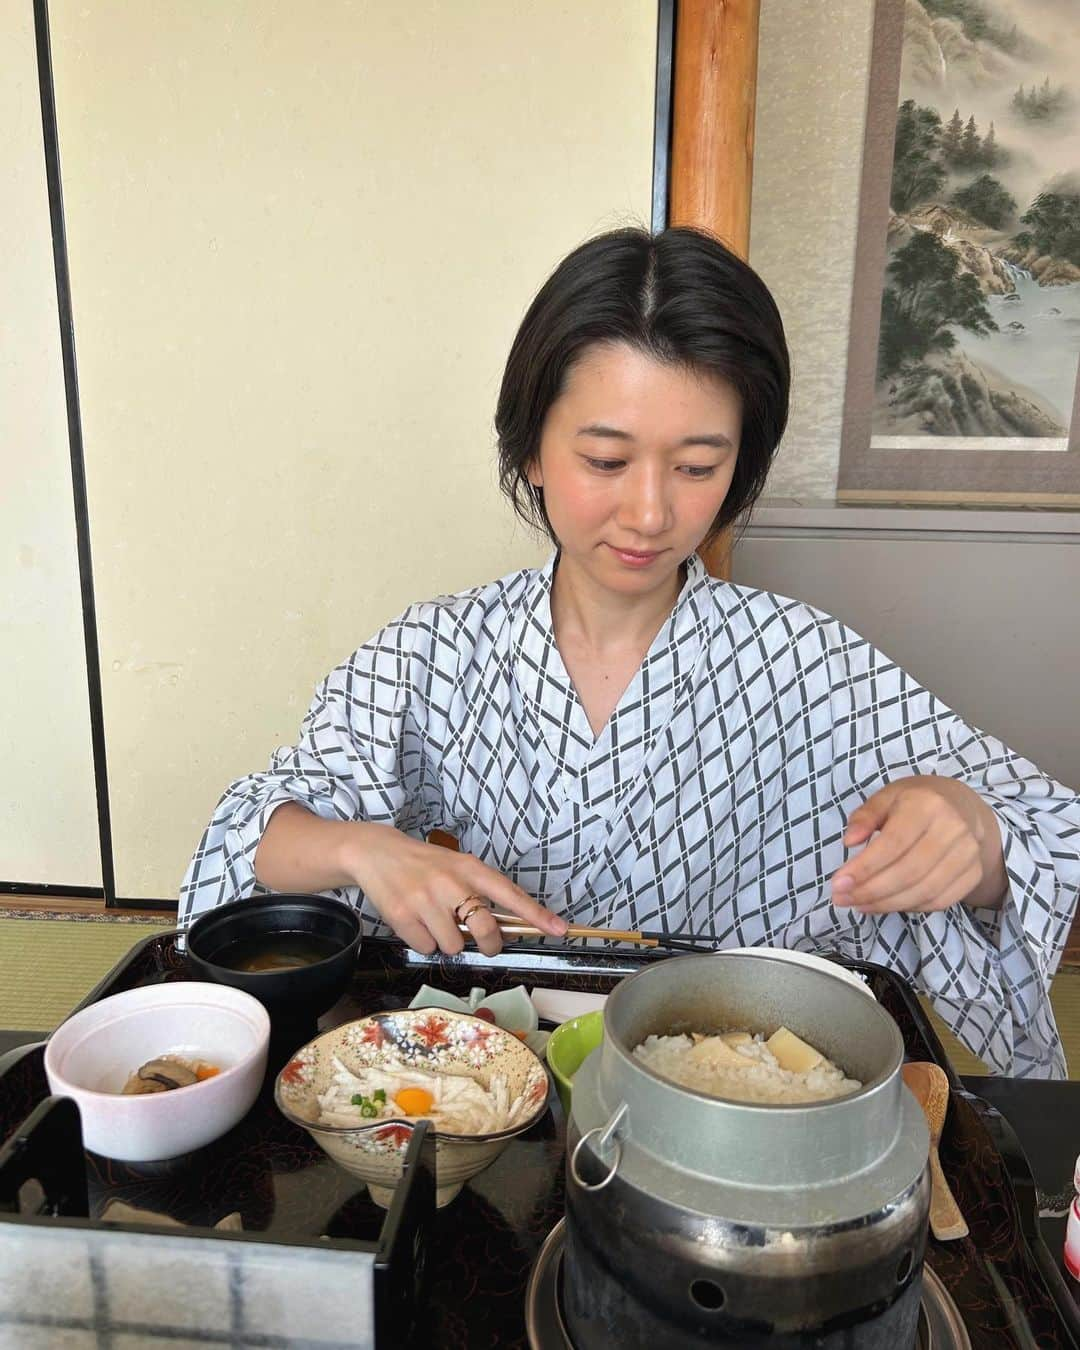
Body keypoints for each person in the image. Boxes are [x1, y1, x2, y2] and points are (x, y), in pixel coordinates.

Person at [180, 226, 1080, 1078]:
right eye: (606, 460)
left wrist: (977, 833)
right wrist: (362, 849)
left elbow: (1048, 831)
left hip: (728, 1094)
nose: (651, 513)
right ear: (530, 449)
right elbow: (249, 839)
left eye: (696, 467)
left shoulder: (807, 662)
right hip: (489, 1086)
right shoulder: (431, 652)